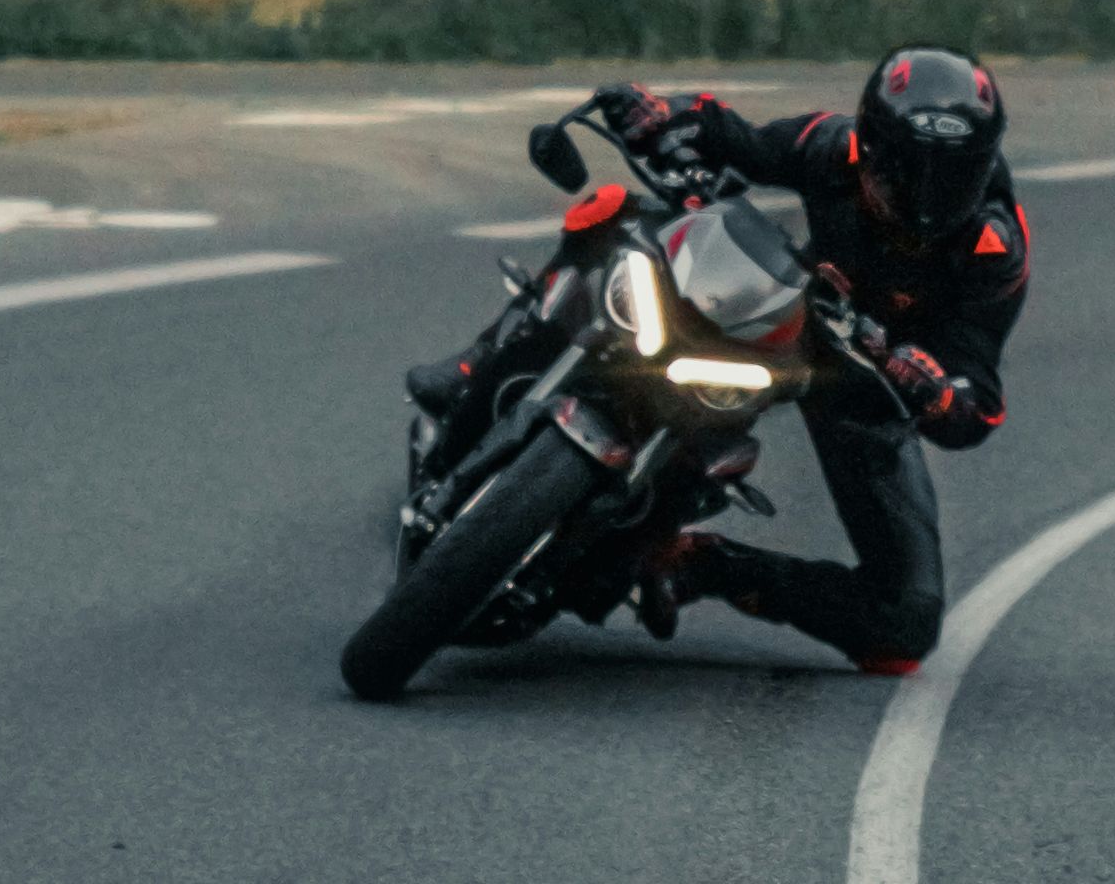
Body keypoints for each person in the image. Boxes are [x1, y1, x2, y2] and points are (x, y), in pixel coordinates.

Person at [406, 45, 1029, 675]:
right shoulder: (831, 146)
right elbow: (736, 137)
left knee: (905, 625)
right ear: (868, 148)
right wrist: (660, 115)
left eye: (952, 178)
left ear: (983, 167)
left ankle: (696, 564)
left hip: (869, 377)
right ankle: (479, 362)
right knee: (617, 215)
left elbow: (979, 406)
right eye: (902, 172)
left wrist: (931, 389)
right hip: (784, 306)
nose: (924, 199)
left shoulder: (993, 250)